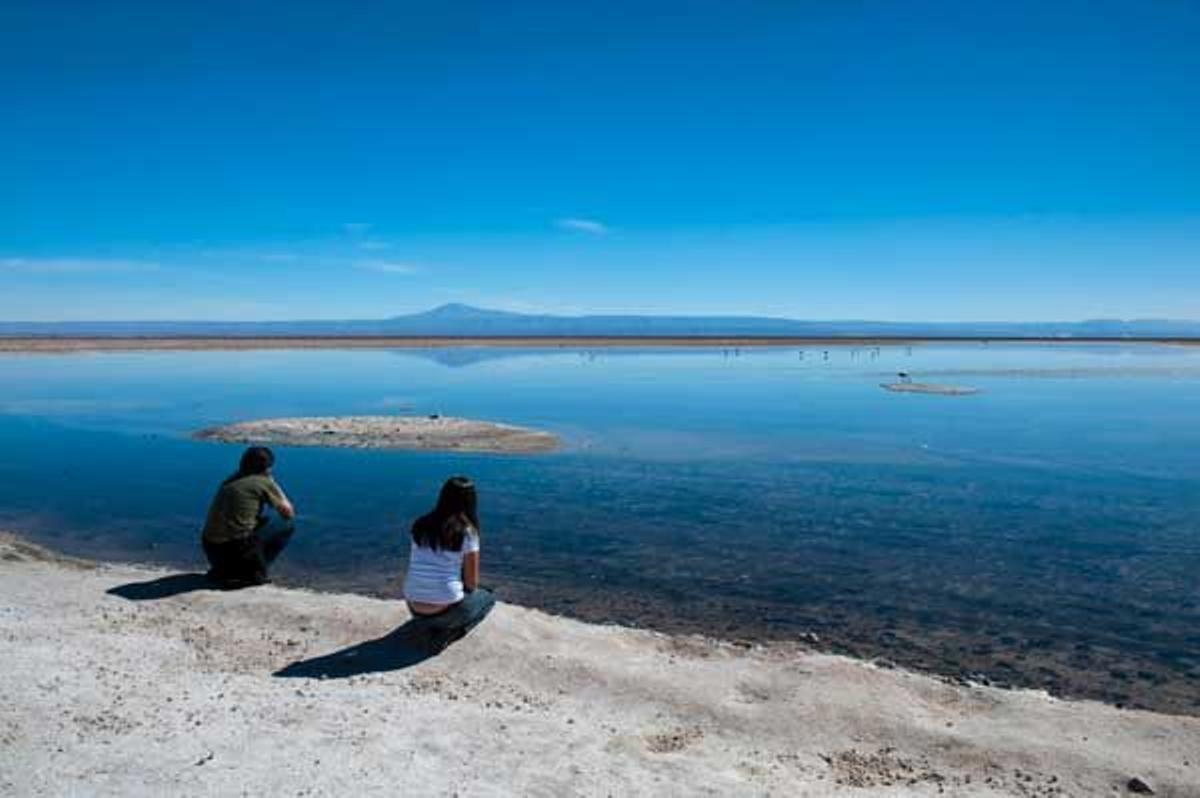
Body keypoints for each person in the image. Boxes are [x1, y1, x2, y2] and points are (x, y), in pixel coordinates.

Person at [403, 476, 495, 653]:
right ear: (471, 501)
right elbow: (471, 584)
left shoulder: (420, 525)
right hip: (445, 611)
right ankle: (452, 633)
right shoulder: (467, 532)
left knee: (450, 589)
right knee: (488, 597)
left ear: (442, 496)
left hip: (413, 607)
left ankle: (430, 625)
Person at [201, 446, 296, 588]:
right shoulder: (263, 481)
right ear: (268, 467)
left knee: (260, 521)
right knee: (286, 525)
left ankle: (226, 570)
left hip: (211, 548)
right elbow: (288, 513)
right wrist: (273, 483)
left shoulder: (230, 480)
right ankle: (256, 572)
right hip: (236, 548)